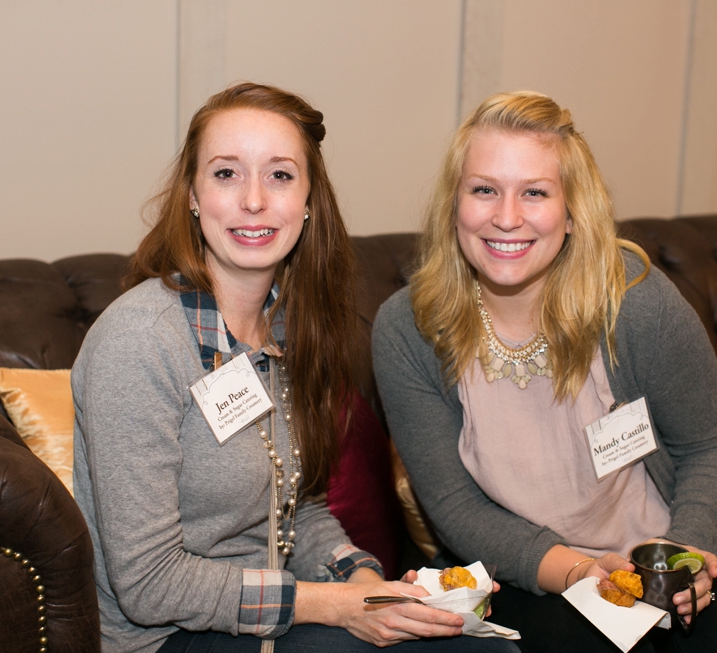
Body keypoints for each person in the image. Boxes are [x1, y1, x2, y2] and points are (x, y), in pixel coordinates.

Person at [73, 82, 519, 653]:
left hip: (274, 613)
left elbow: (295, 508)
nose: (254, 200)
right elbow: (149, 585)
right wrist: (337, 606)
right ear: (191, 194)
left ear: (309, 201)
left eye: (280, 175)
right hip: (168, 637)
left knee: (483, 648)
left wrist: (367, 585)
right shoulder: (139, 341)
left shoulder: (285, 326)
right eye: (226, 173)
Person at [371, 91, 717, 652]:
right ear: (454, 204)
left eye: (535, 192)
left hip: (675, 540)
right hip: (527, 564)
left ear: (571, 213)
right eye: (484, 189)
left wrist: (677, 560)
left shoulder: (635, 302)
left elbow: (713, 447)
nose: (507, 217)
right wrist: (572, 571)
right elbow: (453, 507)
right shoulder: (408, 329)